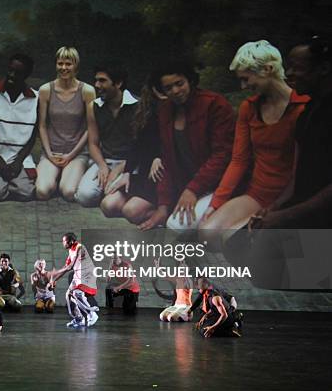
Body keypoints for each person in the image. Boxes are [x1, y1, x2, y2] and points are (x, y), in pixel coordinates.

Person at [200, 41, 309, 243]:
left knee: (232, 239)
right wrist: (216, 203)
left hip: (288, 197)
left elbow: (300, 169)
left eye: (246, 78)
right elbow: (239, 160)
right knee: (207, 233)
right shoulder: (248, 108)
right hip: (257, 194)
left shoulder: (302, 107)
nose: (243, 86)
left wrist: (277, 208)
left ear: (267, 69)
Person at [139, 60, 235, 231]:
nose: (175, 91)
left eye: (179, 84)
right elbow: (168, 159)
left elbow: (222, 156)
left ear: (190, 80)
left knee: (176, 226)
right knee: (138, 213)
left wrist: (192, 189)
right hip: (182, 183)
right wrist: (163, 205)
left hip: (216, 185)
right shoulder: (166, 110)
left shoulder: (214, 104)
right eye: (168, 88)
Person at [250, 36, 332, 229]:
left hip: (319, 220)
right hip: (302, 213)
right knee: (240, 242)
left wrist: (286, 216)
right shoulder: (310, 111)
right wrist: (275, 207)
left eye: (297, 68)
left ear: (323, 69)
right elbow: (299, 172)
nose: (289, 73)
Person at [100, 79, 163, 224]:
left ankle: (164, 214)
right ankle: (139, 206)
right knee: (108, 205)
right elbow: (136, 146)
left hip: (162, 177)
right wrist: (127, 172)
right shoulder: (146, 112)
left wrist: (160, 157)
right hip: (144, 174)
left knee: (131, 212)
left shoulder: (172, 112)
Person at [36, 47, 95, 201]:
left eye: (68, 64)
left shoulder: (87, 91)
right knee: (42, 191)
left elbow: (90, 128)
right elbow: (42, 125)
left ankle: (68, 176)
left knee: (69, 192)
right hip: (52, 152)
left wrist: (71, 154)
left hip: (76, 152)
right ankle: (53, 179)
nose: (63, 68)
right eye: (60, 63)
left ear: (76, 66)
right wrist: (49, 154)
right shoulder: (46, 90)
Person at [75, 64, 139, 207]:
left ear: (118, 83)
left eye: (102, 81)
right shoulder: (94, 106)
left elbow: (141, 147)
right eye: (96, 80)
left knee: (110, 199)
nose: (97, 85)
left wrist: (119, 169)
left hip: (130, 163)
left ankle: (118, 194)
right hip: (105, 160)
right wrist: (102, 165)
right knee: (85, 197)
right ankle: (106, 191)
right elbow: (93, 143)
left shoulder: (137, 106)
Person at [0, 54, 38, 201]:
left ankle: (11, 182)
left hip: (19, 160)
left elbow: (33, 136)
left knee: (26, 193)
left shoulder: (35, 98)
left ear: (27, 75)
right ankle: (5, 183)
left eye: (17, 73)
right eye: (10, 70)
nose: (11, 75)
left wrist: (18, 161)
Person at [50, 232, 99, 328]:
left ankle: (92, 315)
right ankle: (79, 318)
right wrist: (55, 280)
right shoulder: (70, 251)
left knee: (76, 293)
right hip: (78, 275)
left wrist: (55, 272)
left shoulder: (79, 247)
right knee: (68, 295)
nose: (63, 243)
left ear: (71, 241)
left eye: (64, 241)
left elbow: (70, 266)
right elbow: (66, 266)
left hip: (87, 275)